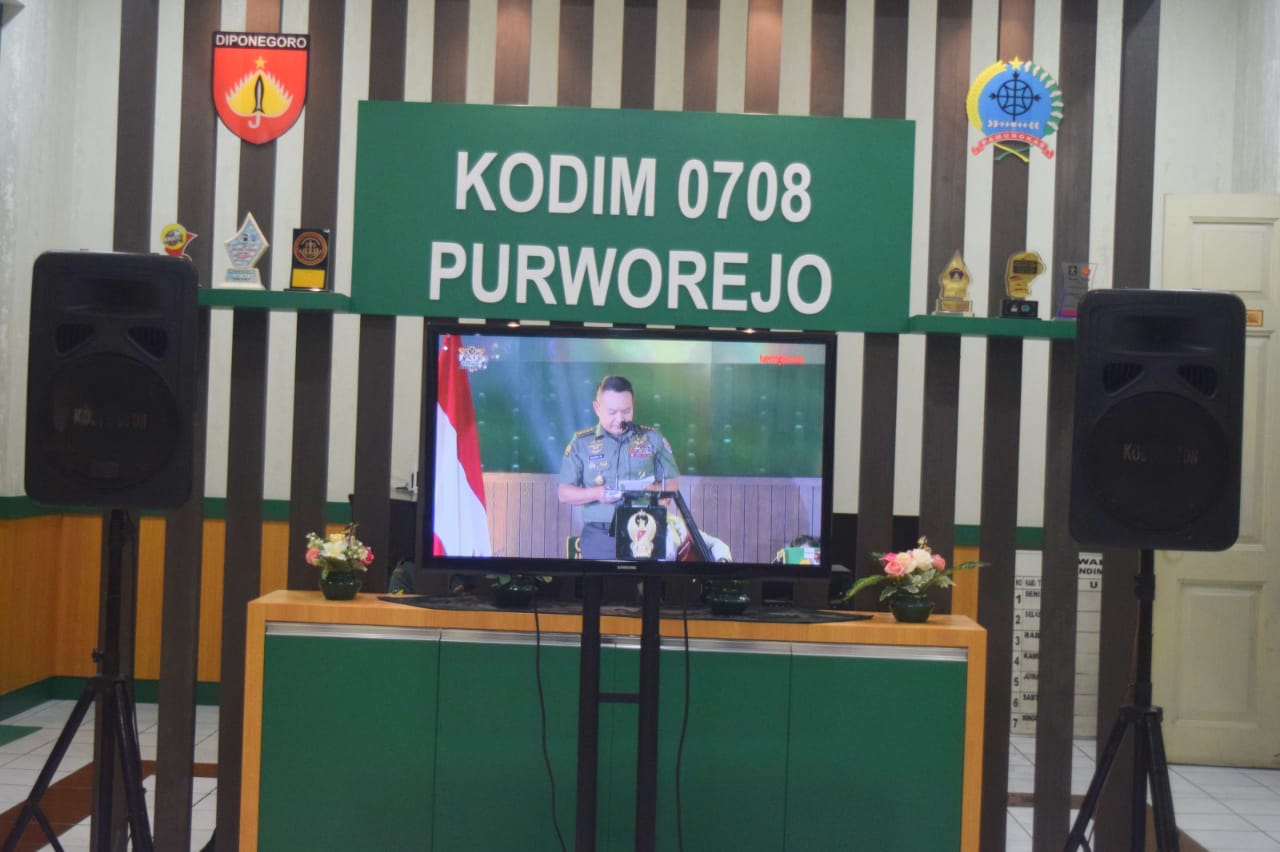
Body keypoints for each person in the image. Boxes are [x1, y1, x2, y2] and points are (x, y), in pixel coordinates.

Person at [558, 375, 680, 560]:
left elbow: (672, 482)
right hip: (600, 535)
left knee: (648, 579)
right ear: (597, 408)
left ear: (633, 405)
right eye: (612, 412)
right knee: (601, 579)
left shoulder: (652, 438)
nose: (620, 419)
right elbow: (564, 493)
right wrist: (596, 493)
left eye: (626, 411)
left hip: (645, 530)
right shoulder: (581, 443)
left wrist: (658, 493)